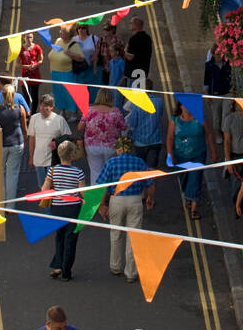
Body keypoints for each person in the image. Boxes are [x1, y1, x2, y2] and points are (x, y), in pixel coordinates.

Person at [98, 132, 157, 281]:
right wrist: (150, 198)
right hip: (135, 200)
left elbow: (103, 186)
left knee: (116, 234)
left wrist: (102, 205)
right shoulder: (139, 163)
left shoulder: (111, 163)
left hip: (116, 200)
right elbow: (150, 183)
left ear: (118, 149)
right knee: (134, 237)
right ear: (130, 149)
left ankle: (115, 266)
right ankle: (130, 273)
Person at [40, 141, 86, 280]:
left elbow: (44, 189)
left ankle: (58, 266)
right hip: (73, 209)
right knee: (70, 239)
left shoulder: (52, 170)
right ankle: (66, 271)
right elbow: (83, 193)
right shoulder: (78, 172)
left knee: (59, 237)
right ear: (72, 155)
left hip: (57, 208)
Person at [167, 101, 215, 221]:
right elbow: (170, 137)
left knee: (195, 179)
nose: (187, 108)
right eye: (185, 105)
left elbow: (209, 135)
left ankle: (194, 208)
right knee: (184, 180)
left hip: (198, 155)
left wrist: (214, 151)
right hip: (181, 156)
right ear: (180, 106)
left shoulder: (201, 118)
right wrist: (170, 154)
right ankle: (188, 197)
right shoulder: (175, 120)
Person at [78, 89, 127, 184]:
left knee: (95, 171)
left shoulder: (89, 110)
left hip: (92, 146)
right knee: (109, 171)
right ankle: (109, 195)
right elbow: (124, 127)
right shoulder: (116, 112)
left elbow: (80, 127)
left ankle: (97, 197)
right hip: (111, 146)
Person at [0, 83, 28, 201]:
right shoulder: (20, 109)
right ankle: (10, 205)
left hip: (0, 144)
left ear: (2, 95)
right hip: (16, 143)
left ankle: (1, 202)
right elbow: (24, 129)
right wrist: (27, 140)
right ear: (13, 95)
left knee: (0, 173)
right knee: (12, 175)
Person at [27, 94, 71, 187]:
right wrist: (31, 157)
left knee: (53, 187)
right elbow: (32, 138)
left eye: (46, 106)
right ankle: (45, 202)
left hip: (54, 160)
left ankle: (53, 202)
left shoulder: (59, 120)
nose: (42, 108)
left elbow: (67, 136)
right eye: (41, 105)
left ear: (52, 107)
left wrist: (57, 142)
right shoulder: (34, 118)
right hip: (38, 159)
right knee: (42, 187)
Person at [48, 26, 86, 122]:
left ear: (70, 34)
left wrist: (71, 54)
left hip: (67, 73)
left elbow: (81, 58)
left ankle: (73, 113)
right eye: (61, 31)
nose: (60, 32)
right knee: (59, 93)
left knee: (70, 93)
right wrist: (51, 69)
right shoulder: (58, 41)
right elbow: (52, 55)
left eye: (63, 31)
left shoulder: (74, 44)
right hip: (55, 73)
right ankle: (63, 111)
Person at [124, 88, 164, 170]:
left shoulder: (137, 103)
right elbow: (160, 114)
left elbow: (133, 123)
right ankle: (152, 183)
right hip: (155, 141)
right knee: (152, 170)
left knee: (140, 168)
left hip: (140, 141)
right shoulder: (160, 101)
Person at [203, 46, 232, 158]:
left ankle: (226, 135)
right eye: (218, 54)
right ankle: (218, 134)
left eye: (221, 54)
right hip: (215, 94)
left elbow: (232, 77)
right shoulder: (209, 66)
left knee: (226, 115)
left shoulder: (228, 63)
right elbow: (206, 80)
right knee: (216, 117)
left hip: (227, 93)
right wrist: (206, 94)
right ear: (213, 55)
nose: (220, 57)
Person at [125, 15, 153, 89]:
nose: (129, 24)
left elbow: (130, 57)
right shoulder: (148, 38)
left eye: (131, 23)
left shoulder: (134, 39)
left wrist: (124, 51)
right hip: (143, 73)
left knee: (132, 98)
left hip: (133, 74)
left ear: (136, 25)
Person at [19, 31, 44, 112]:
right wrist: (27, 67)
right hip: (25, 75)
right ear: (24, 38)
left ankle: (33, 113)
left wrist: (35, 65)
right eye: (27, 37)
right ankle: (26, 113)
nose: (29, 39)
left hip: (35, 74)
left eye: (31, 37)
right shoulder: (20, 49)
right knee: (26, 96)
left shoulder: (37, 47)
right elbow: (17, 64)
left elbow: (41, 60)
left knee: (34, 96)